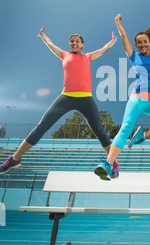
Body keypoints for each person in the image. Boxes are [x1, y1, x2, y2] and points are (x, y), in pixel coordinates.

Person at [0, 27, 120, 177]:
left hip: (85, 98)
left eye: (77, 41)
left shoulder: (88, 56)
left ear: (82, 45)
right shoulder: (64, 55)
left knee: (99, 130)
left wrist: (113, 41)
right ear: (69, 44)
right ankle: (14, 159)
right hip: (66, 96)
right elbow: (51, 45)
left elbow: (104, 49)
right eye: (72, 41)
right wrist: (43, 35)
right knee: (41, 127)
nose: (74, 43)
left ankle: (113, 164)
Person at [94, 7, 150, 180]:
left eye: (145, 42)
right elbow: (124, 37)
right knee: (126, 127)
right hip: (137, 99)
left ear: (149, 42)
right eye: (139, 43)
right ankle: (109, 164)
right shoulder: (133, 56)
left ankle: (143, 135)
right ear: (136, 45)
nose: (142, 44)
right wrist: (118, 22)